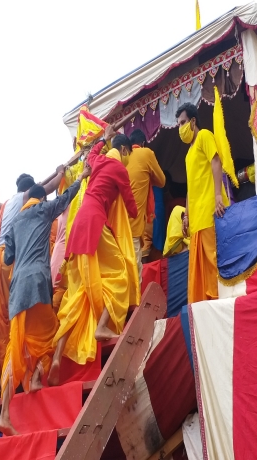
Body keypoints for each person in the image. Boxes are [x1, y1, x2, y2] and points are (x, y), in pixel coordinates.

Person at [0, 169, 88, 436]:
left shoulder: (15, 224)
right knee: (51, 332)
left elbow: (8, 258)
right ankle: (37, 375)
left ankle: (4, 413)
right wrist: (81, 177)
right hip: (37, 284)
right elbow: (65, 198)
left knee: (17, 346)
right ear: (40, 198)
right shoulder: (42, 210)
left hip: (16, 293)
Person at [48, 132, 138, 385]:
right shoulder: (119, 168)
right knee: (120, 274)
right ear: (124, 151)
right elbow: (131, 207)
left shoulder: (99, 162)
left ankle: (57, 355)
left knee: (77, 293)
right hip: (96, 220)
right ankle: (102, 327)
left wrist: (103, 138)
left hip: (79, 223)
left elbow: (92, 154)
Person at [0, 167, 65, 398]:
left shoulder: (8, 204)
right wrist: (60, 173)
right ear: (29, 191)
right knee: (17, 322)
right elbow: (49, 189)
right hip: (13, 264)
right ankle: (23, 373)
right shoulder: (28, 199)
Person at [175, 103, 227, 303]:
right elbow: (190, 188)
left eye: (183, 122)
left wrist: (218, 197)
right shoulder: (188, 154)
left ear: (193, 121)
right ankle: (210, 307)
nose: (181, 128)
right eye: (178, 124)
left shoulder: (204, 135)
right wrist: (186, 216)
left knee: (214, 262)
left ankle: (221, 302)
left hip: (210, 211)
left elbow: (216, 162)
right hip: (196, 220)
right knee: (202, 271)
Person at [126, 129, 165, 285]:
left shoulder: (123, 159)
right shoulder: (145, 152)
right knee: (138, 267)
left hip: (119, 224)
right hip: (138, 221)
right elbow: (162, 181)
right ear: (142, 143)